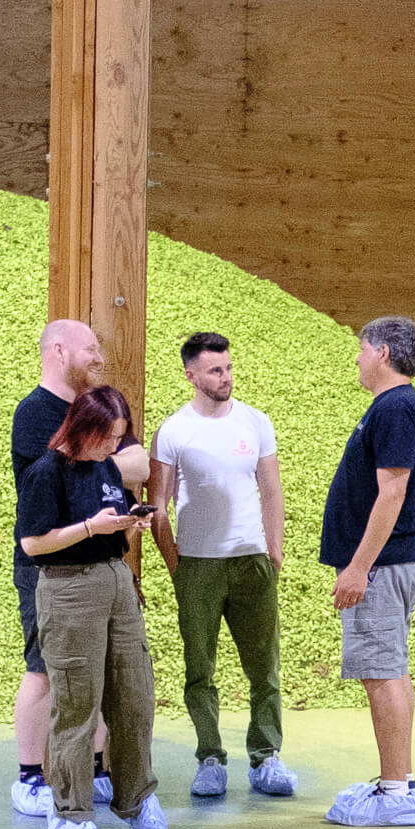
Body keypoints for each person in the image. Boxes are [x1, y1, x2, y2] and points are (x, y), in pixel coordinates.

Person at [14, 387, 166, 829]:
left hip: (115, 579)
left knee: (134, 693)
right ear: (82, 427)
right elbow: (33, 543)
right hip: (69, 586)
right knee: (78, 700)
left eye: (118, 438)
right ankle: (70, 807)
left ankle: (135, 797)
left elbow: (109, 513)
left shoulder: (105, 466)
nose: (112, 448)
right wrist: (88, 528)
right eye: (106, 437)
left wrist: (127, 523)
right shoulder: (47, 472)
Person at [151, 331, 297, 799]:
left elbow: (271, 490)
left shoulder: (256, 422)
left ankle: (266, 755)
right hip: (198, 566)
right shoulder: (173, 431)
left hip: (252, 563)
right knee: (200, 668)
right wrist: (178, 566)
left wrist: (273, 552)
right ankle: (209, 756)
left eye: (229, 368)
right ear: (191, 375)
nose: (226, 377)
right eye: (215, 370)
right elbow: (158, 508)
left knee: (265, 667)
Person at [320, 316, 415, 827]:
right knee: (392, 673)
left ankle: (394, 795)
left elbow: (393, 491)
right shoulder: (399, 407)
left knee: (381, 675)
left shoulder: (394, 407)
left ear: (383, 352)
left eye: (362, 349)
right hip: (392, 564)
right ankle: (401, 781)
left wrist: (359, 566)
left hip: (382, 568)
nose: (358, 358)